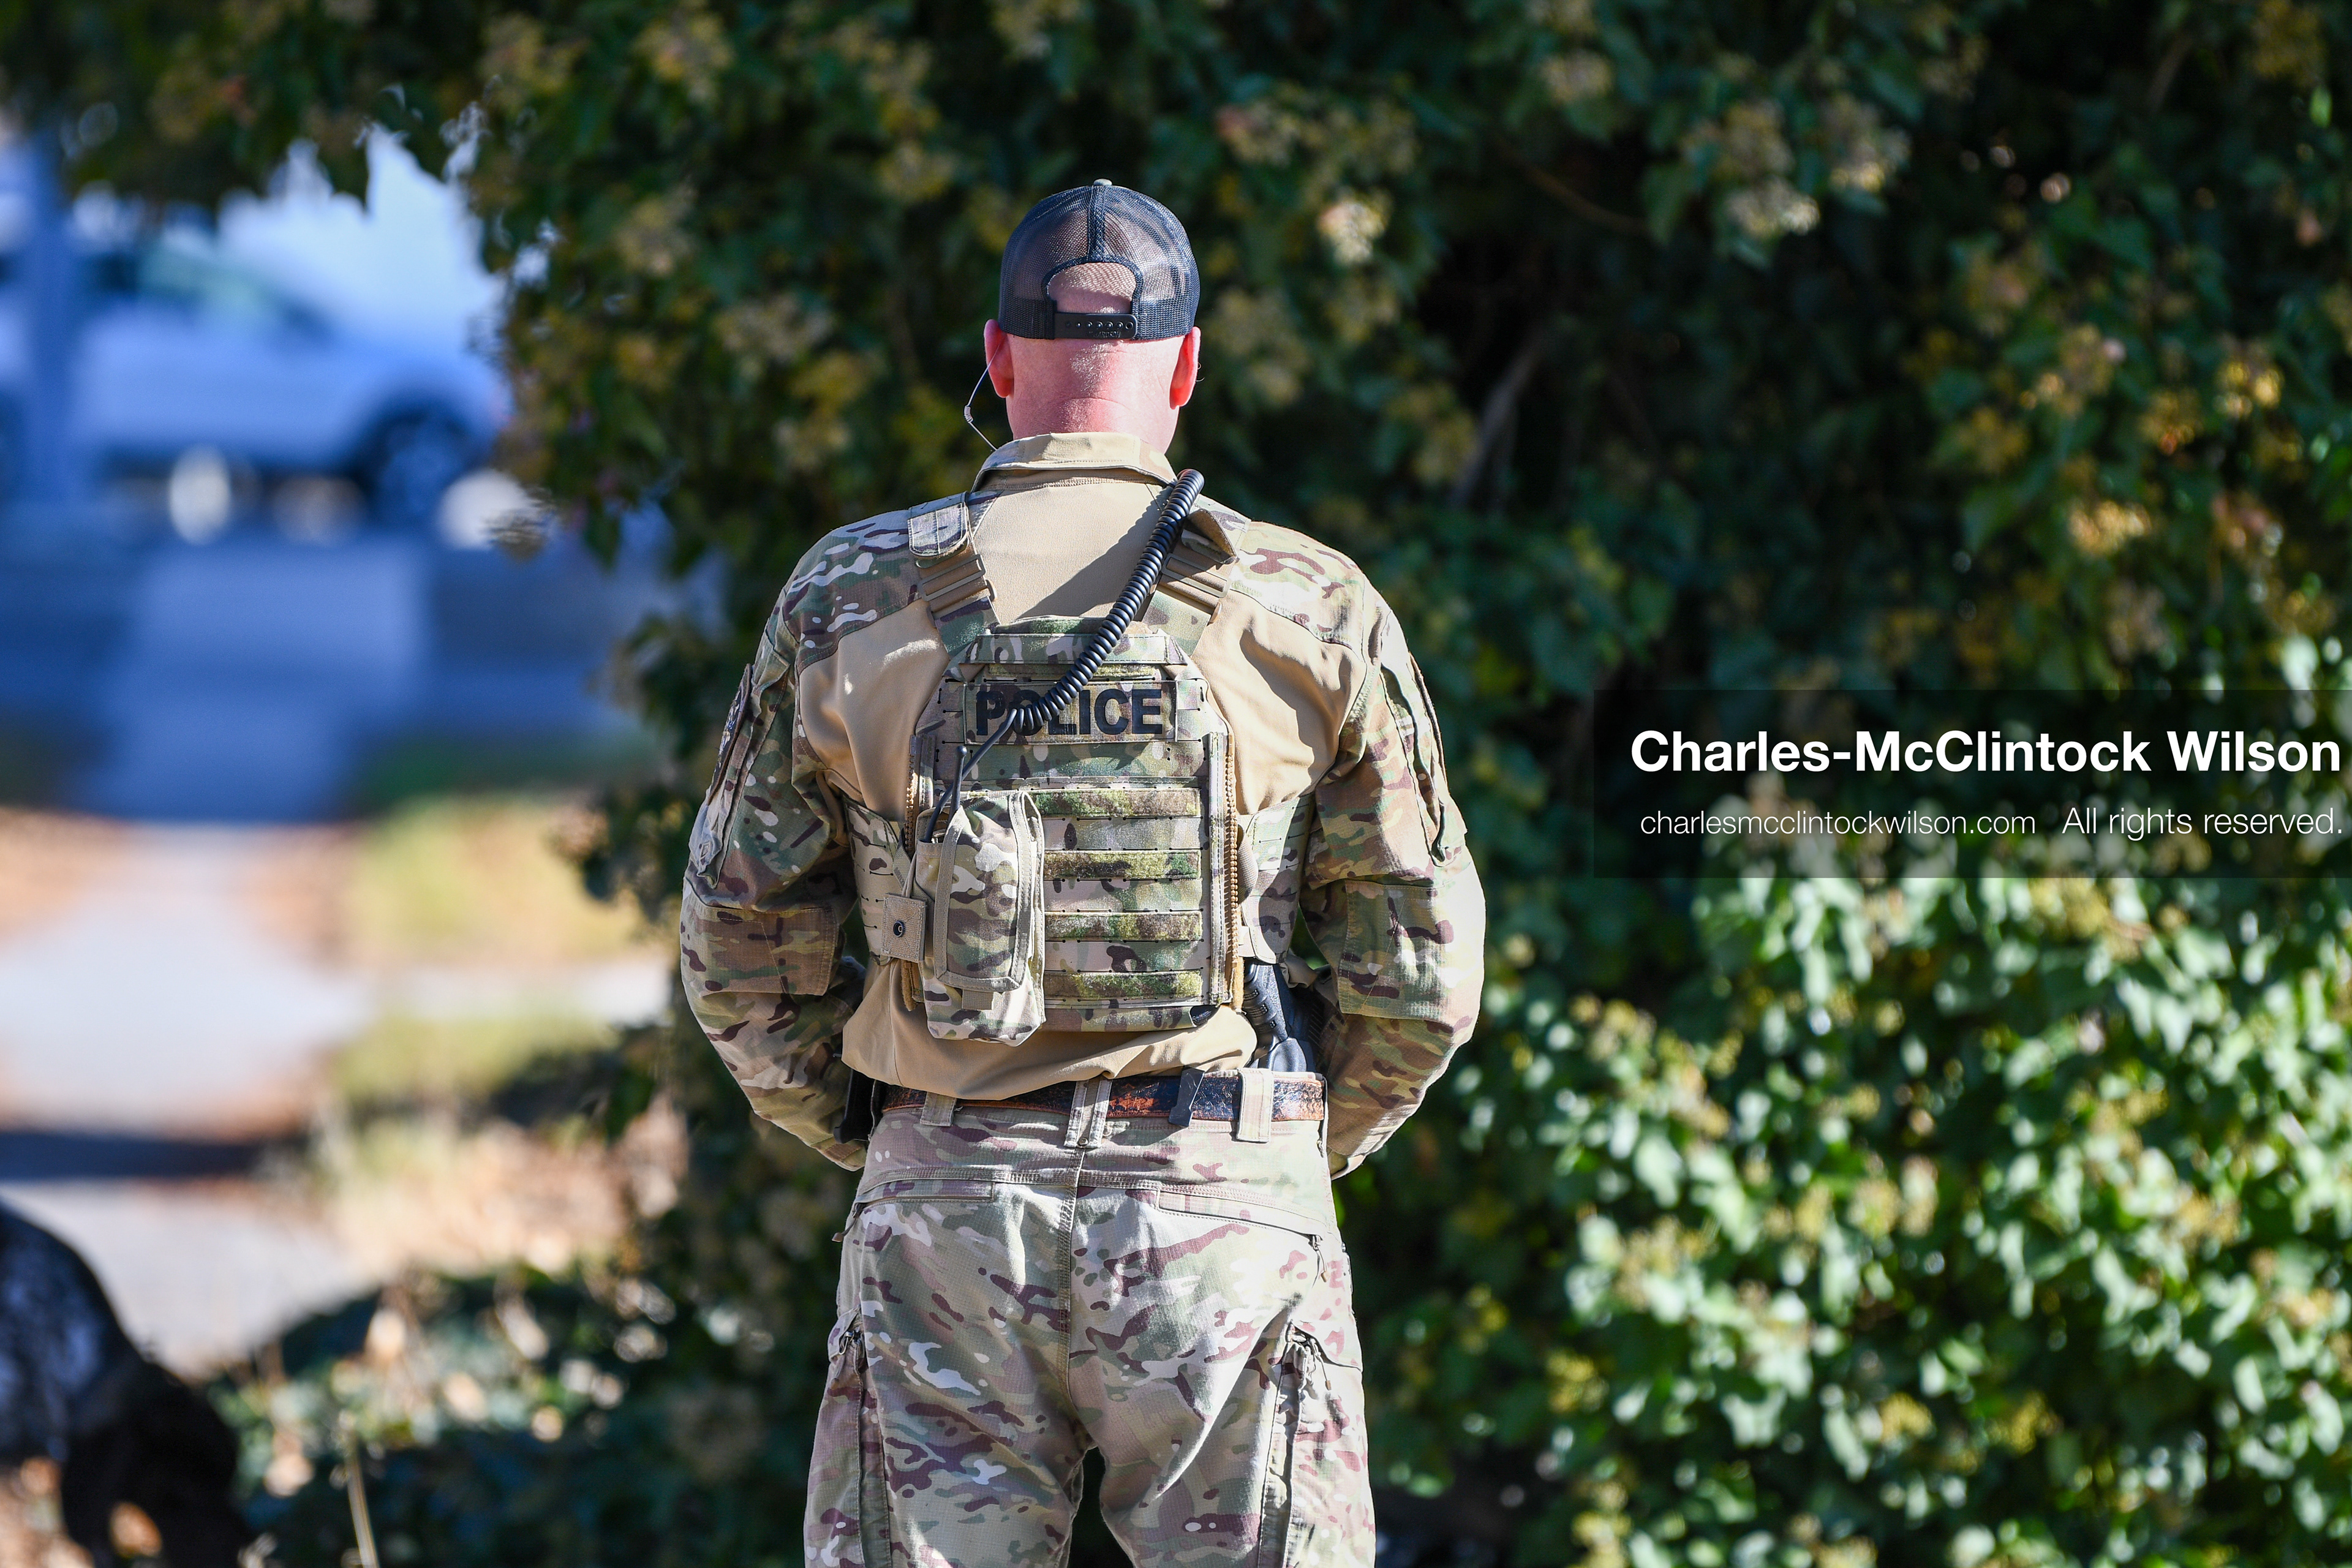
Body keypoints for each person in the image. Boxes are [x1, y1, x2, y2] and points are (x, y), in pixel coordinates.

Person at [680, 179, 1483, 1567]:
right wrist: (1285, 1145)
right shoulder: (1307, 603)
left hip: (943, 1215)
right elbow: (1421, 974)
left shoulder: (846, 594)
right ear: (1185, 367)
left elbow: (738, 942)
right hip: (1221, 1200)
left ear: (998, 361)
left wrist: (885, 1130)